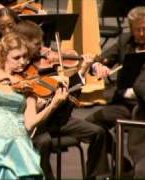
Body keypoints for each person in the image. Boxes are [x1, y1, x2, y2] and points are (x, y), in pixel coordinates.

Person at [0, 32, 68, 179]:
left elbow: (30, 123)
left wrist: (53, 105)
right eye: (16, 58)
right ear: (4, 56)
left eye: (25, 57)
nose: (22, 62)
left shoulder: (28, 82)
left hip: (17, 144)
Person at [12, 20, 111, 179]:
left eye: (42, 43)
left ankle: (95, 176)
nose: (43, 49)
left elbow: (70, 76)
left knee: (97, 132)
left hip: (58, 117)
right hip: (37, 121)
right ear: (23, 43)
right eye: (37, 44)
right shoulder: (17, 63)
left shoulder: (49, 58)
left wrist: (88, 67)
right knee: (42, 142)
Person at [85, 6, 145, 175]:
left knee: (138, 138)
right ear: (131, 28)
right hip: (124, 104)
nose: (142, 33)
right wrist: (97, 67)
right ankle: (113, 168)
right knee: (92, 125)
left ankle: (138, 170)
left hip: (144, 108)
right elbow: (98, 61)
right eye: (138, 29)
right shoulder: (124, 41)